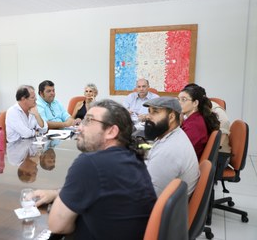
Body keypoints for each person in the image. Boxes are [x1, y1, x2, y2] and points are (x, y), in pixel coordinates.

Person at [33, 99, 156, 239]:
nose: (79, 128)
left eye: (89, 121)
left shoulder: (90, 163)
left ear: (111, 131)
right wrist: (57, 193)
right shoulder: (132, 157)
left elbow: (57, 226)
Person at [143, 97, 200, 196]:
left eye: (155, 112)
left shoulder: (169, 151)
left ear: (171, 117)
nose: (148, 116)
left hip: (161, 208)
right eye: (149, 111)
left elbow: (148, 196)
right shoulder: (172, 134)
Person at [178, 84, 220, 160]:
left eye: (183, 99)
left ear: (195, 103)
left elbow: (180, 152)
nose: (179, 103)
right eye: (178, 99)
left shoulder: (194, 125)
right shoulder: (195, 118)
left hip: (187, 166)